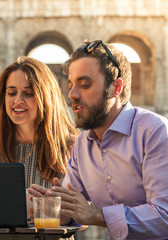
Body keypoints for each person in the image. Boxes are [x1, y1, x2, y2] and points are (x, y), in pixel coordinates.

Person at [29, 40, 168, 239]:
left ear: (116, 87)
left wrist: (95, 214)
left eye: (85, 85)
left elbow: (164, 216)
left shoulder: (154, 132)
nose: (72, 94)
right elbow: (73, 210)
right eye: (70, 85)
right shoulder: (82, 145)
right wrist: (52, 205)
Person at [0, 56, 78, 189]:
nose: (18, 100)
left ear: (46, 97)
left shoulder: (74, 148)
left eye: (28, 93)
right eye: (12, 93)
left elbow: (89, 206)